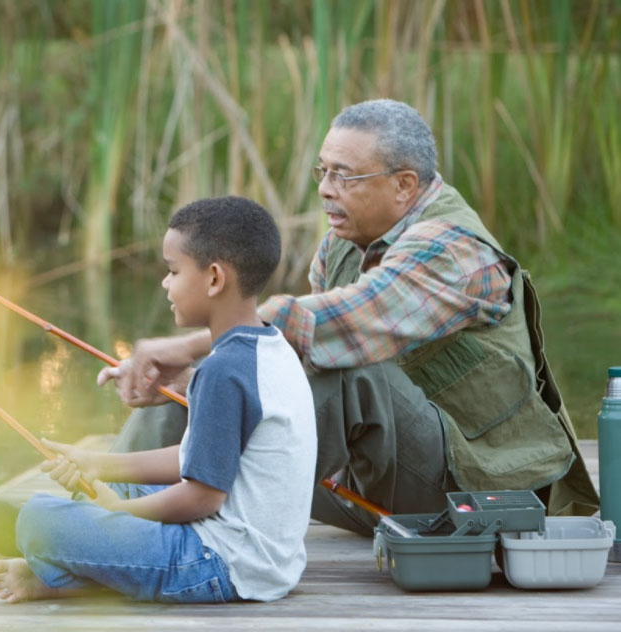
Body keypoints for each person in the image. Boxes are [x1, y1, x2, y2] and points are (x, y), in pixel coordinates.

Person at [100, 99, 599, 536]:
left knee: (346, 372)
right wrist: (195, 380)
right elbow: (283, 369)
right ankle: (94, 513)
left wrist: (189, 345)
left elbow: (341, 326)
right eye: (323, 171)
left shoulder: (451, 248)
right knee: (206, 382)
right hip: (367, 488)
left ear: (404, 185)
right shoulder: (339, 245)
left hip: (471, 490)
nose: (325, 190)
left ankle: (160, 527)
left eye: (345, 175)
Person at [0, 196, 317, 604]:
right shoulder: (268, 347)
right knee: (105, 488)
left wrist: (116, 516)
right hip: (267, 561)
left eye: (173, 271)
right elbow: (196, 458)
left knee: (39, 518)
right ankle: (68, 561)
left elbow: (203, 496)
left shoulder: (223, 371)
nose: (164, 283)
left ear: (214, 279)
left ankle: (56, 564)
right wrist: (97, 464)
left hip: (220, 564)